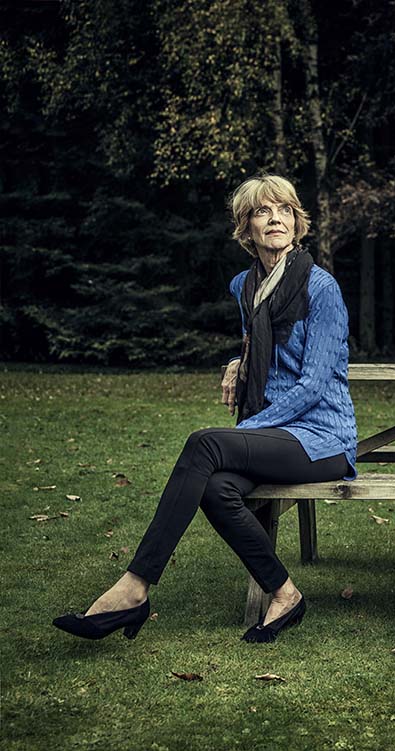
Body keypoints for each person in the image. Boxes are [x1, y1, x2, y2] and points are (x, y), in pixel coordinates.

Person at [53, 175, 358, 644]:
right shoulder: (246, 287)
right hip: (274, 437)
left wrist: (248, 428)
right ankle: (285, 594)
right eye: (262, 211)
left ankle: (134, 588)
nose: (275, 219)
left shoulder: (322, 289)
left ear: (297, 222)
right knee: (217, 488)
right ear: (246, 228)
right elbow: (260, 346)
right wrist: (239, 360)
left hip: (321, 438)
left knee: (206, 444)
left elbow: (313, 386)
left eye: (284, 210)